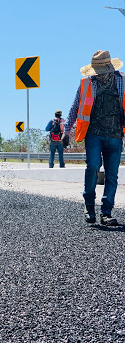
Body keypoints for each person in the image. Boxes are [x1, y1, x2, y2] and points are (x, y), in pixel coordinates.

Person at [63, 50, 124, 226]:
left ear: (109, 67)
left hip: (115, 135)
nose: (99, 75)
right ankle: (89, 206)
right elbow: (75, 107)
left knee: (112, 175)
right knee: (93, 167)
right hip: (94, 134)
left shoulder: (122, 81)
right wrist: (67, 131)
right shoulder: (87, 83)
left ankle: (106, 212)